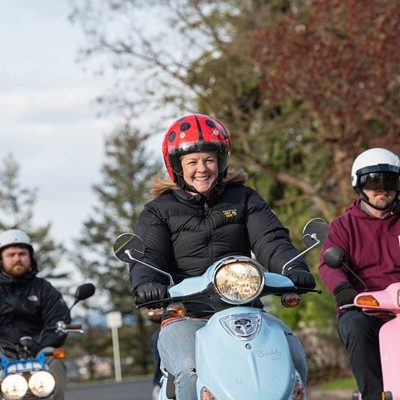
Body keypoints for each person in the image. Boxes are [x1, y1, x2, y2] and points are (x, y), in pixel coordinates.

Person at [129, 113, 316, 399]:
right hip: (187, 315)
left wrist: (293, 266)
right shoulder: (159, 210)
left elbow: (271, 240)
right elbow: (148, 254)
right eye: (192, 162)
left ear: (222, 162)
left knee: (293, 357)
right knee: (190, 369)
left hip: (247, 313)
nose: (201, 169)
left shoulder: (244, 198)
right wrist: (146, 283)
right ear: (177, 167)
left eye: (209, 159)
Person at [318, 148, 400, 400]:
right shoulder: (343, 227)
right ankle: (374, 395)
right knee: (355, 327)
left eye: (390, 181)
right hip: (364, 308)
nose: (382, 189)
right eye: (373, 182)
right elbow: (328, 264)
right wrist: (343, 290)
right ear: (359, 185)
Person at [0, 228, 71, 400]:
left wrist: (39, 344)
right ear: (1, 259)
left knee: (55, 354)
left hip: (38, 350)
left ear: (30, 257)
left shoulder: (44, 289)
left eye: (22, 253)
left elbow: (59, 320)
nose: (17, 258)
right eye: (11, 254)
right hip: (2, 351)